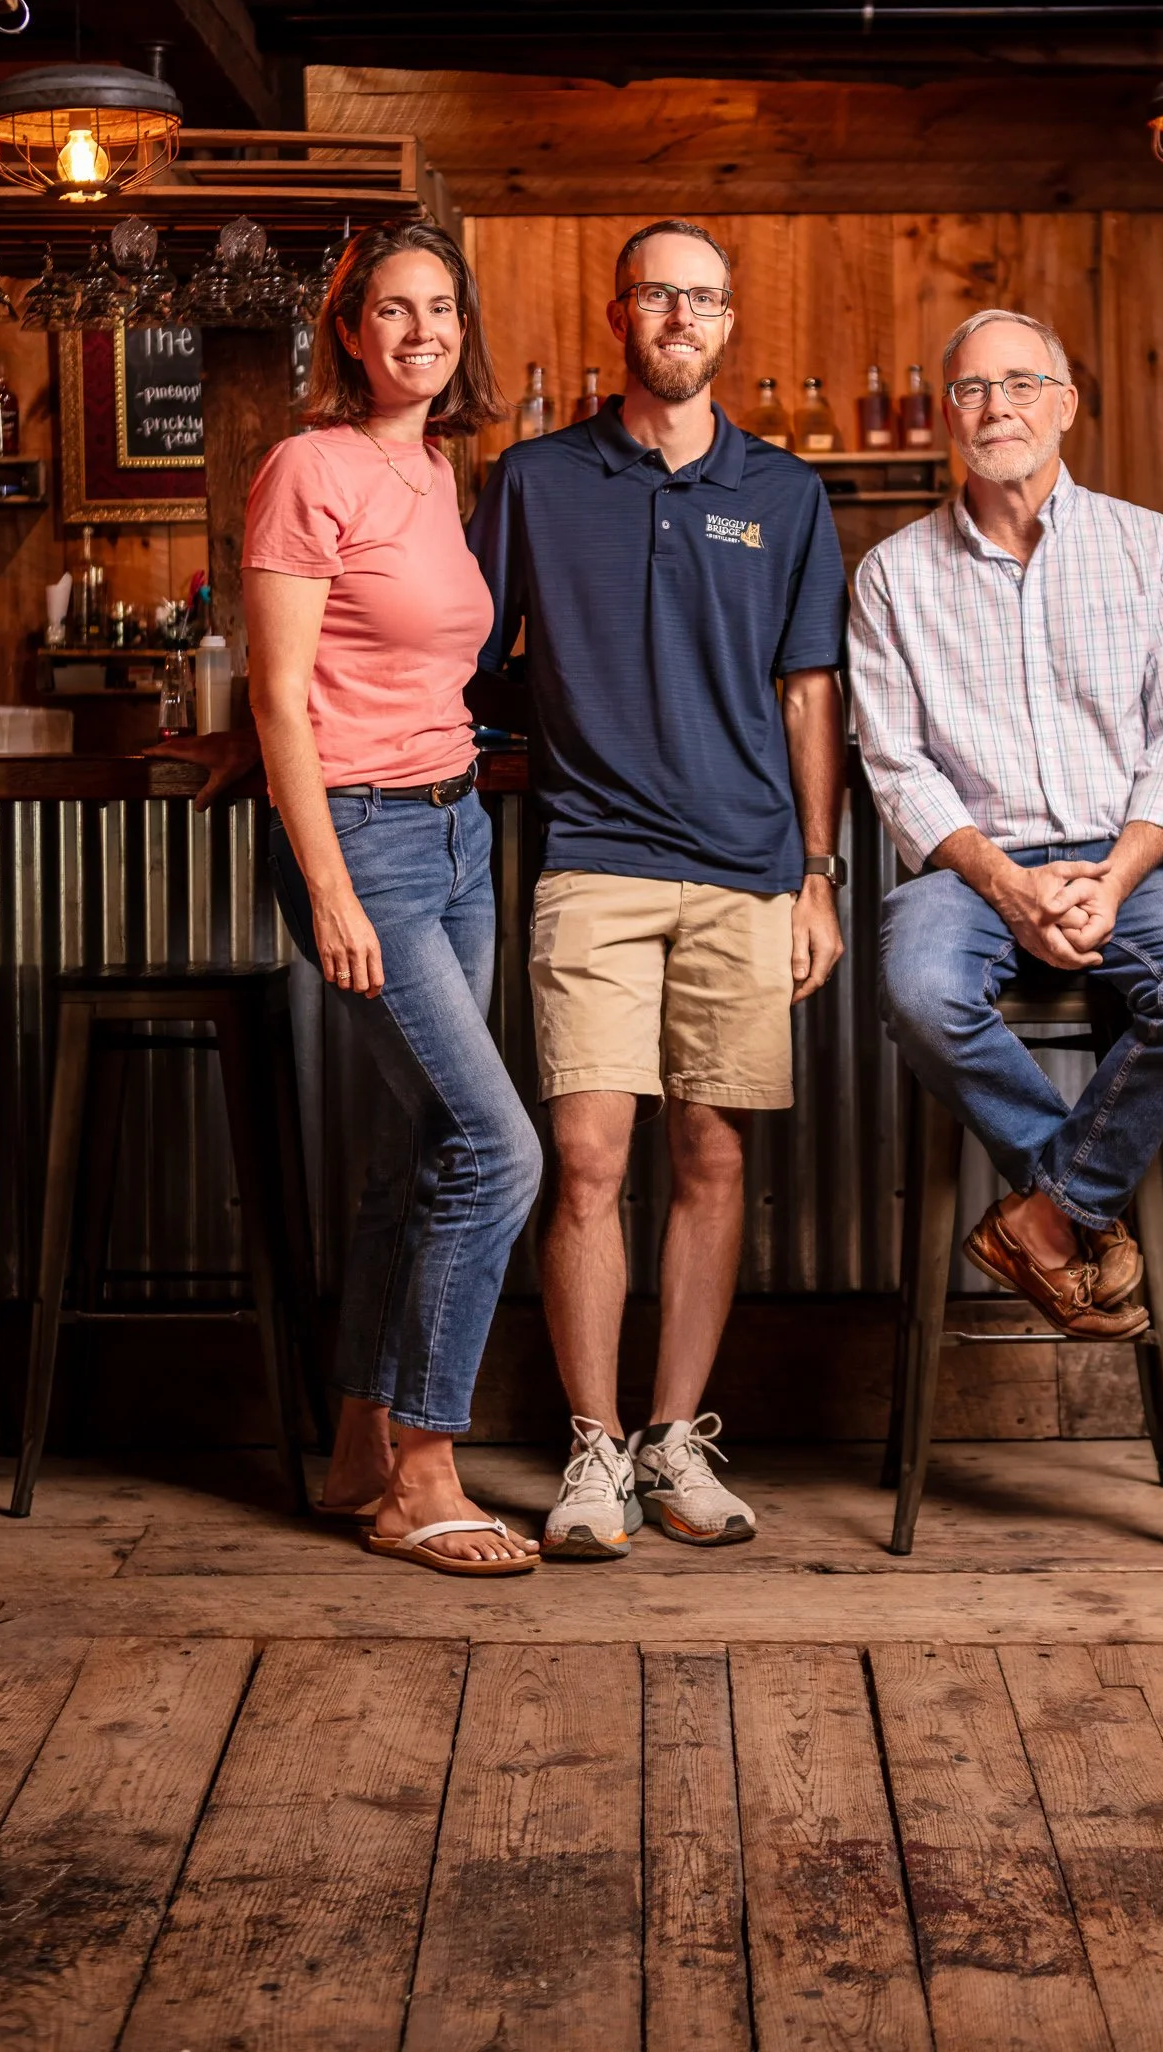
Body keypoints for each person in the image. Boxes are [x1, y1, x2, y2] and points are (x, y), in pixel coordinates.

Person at [467, 219, 849, 1559]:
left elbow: (811, 696)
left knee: (711, 1155)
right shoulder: (532, 480)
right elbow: (462, 664)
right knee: (583, 1161)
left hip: (748, 872)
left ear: (726, 324)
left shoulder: (786, 495)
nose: (681, 317)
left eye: (705, 299)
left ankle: (672, 1441)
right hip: (591, 865)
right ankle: (588, 1448)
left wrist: (814, 875)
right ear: (614, 314)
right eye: (658, 296)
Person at [847, 306, 1163, 1340]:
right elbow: (895, 762)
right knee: (920, 992)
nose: (997, 407)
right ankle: (1070, 1208)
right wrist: (1006, 885)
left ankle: (1040, 1214)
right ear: (947, 414)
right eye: (974, 389)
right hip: (967, 874)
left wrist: (1109, 881)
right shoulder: (892, 574)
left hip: (1123, 863)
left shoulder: (1153, 550)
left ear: (1063, 405)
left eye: (1020, 383)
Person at [244, 220, 544, 1575]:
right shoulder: (307, 466)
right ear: (349, 332)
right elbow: (275, 695)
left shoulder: (434, 470)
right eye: (393, 310)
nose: (420, 331)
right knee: (498, 1149)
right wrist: (328, 890)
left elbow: (413, 666)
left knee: (422, 1152)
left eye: (441, 310)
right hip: (361, 846)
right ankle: (428, 1466)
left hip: (455, 829)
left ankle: (358, 1450)